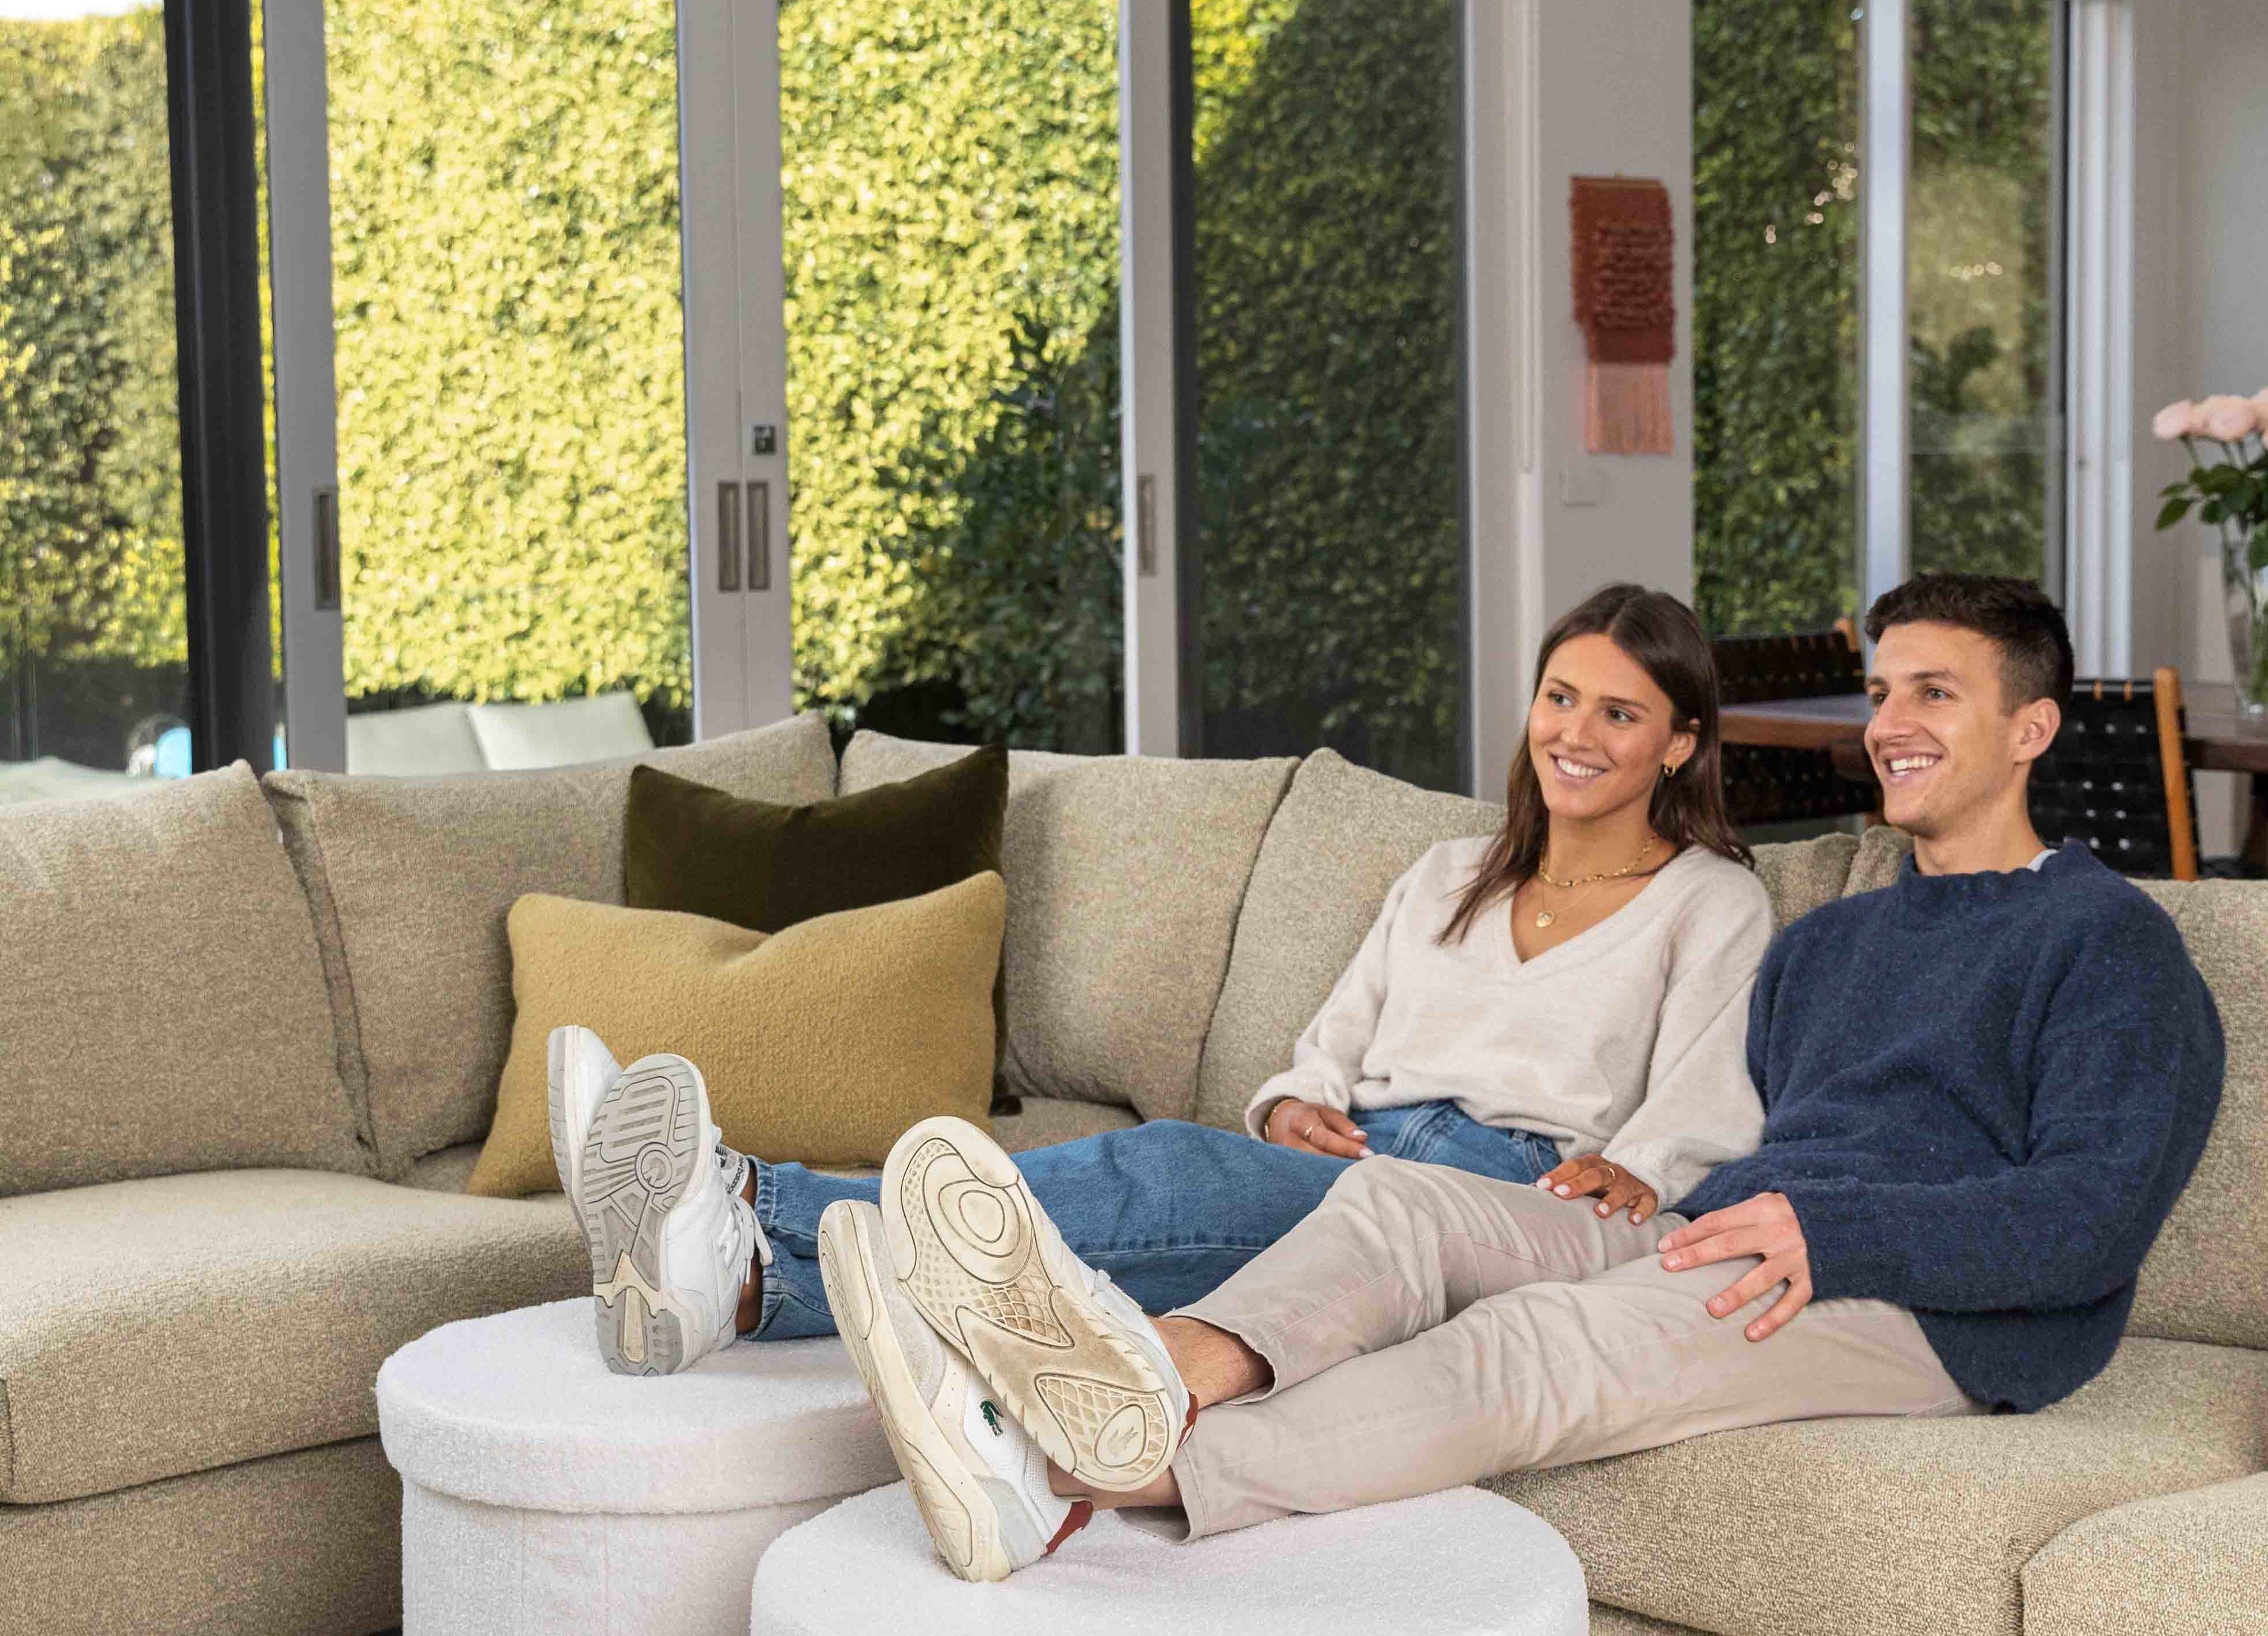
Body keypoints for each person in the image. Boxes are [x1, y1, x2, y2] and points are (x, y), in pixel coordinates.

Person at [831, 569, 2226, 1579]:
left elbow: (2091, 1217)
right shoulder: (1838, 940)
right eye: (1880, 691)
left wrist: (1827, 1228)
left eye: (1937, 692)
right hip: (1731, 1238)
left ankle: (1076, 1476)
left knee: (1525, 1350)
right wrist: (1692, 1214)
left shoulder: (2106, 942)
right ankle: (1153, 1379)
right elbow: (1745, 1135)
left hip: (1929, 1313)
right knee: (1397, 1213)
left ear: (2031, 730)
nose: (1890, 720)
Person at [556, 584, 1779, 1545]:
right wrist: (1296, 1097)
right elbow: (1337, 1034)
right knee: (1123, 1227)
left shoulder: (1709, 901)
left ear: (1678, 742)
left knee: (1165, 1174)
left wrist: (1637, 1167)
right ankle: (754, 1278)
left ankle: (755, 1216)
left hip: (1501, 1191)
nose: (1575, 733)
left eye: (1619, 713)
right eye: (1559, 697)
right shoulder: (1450, 873)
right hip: (1358, 1150)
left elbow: (1706, 1090)